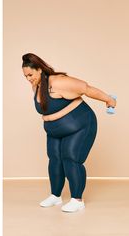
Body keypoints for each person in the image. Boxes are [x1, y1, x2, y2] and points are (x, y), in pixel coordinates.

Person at [22, 53, 116, 213]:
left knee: (71, 159)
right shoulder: (37, 86)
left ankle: (77, 200)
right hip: (54, 132)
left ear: (39, 70)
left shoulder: (59, 81)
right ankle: (55, 196)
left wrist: (109, 100)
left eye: (30, 74)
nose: (28, 79)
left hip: (80, 127)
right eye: (25, 76)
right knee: (54, 160)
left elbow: (87, 89)